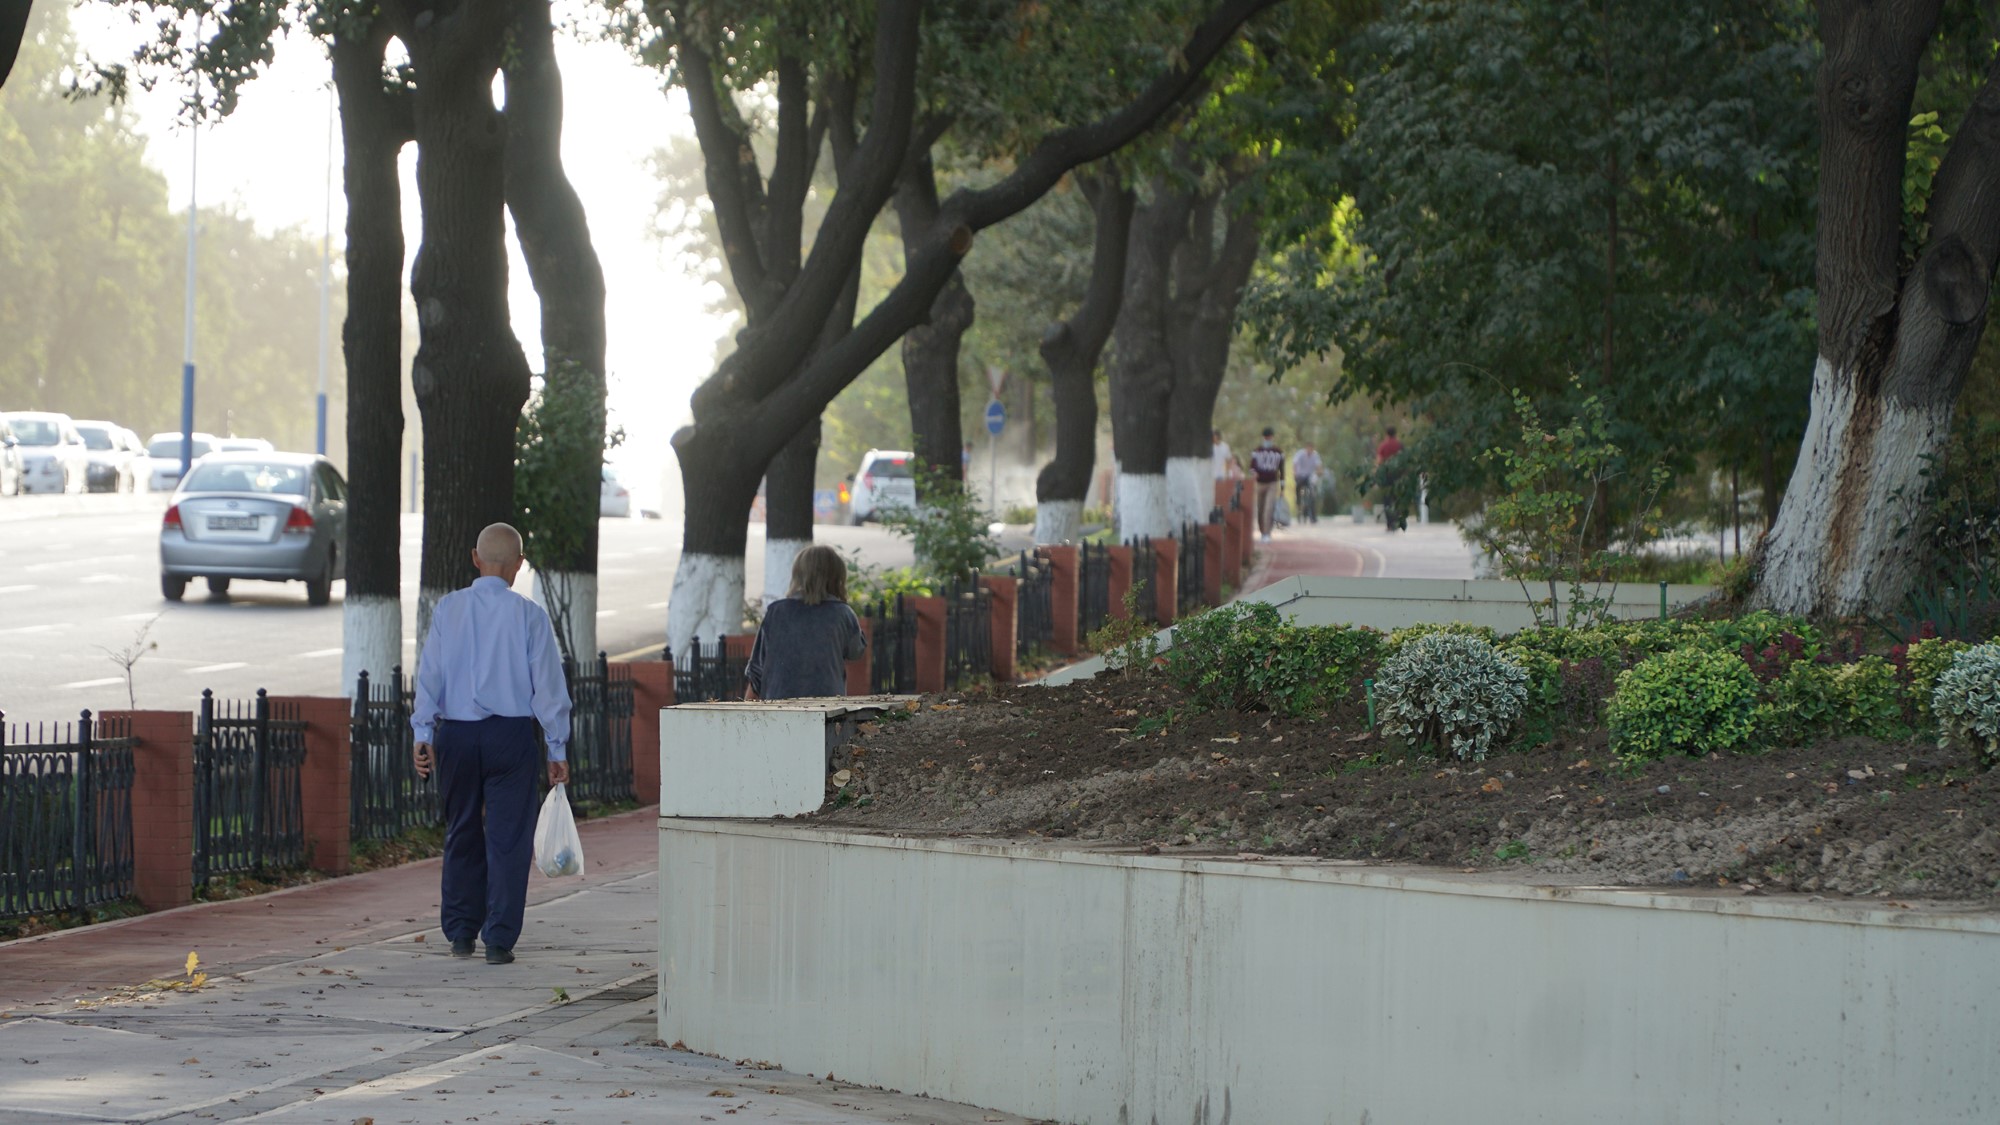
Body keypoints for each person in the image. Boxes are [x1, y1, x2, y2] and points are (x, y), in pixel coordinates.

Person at [411, 523, 571, 966]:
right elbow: (549, 690)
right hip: (511, 736)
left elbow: (430, 676)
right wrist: (557, 749)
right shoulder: (529, 615)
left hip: (457, 735)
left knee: (460, 828)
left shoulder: (448, 609)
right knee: (508, 838)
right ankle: (499, 938)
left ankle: (460, 931)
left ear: (474, 558)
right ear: (519, 565)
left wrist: (423, 733)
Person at [745, 544, 867, 701]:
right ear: (837, 578)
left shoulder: (776, 612)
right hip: (827, 708)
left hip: (778, 707)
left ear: (797, 575)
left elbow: (757, 670)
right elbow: (856, 651)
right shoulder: (842, 613)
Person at [1248, 427, 1286, 542]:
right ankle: (1262, 530)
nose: (1267, 439)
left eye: (1269, 437)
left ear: (1272, 438)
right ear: (1263, 438)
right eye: (1266, 437)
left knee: (1269, 508)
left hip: (1272, 483)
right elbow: (1252, 467)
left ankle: (1266, 533)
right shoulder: (1257, 451)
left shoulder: (1278, 452)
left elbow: (1282, 470)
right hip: (1260, 484)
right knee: (1260, 509)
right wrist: (1254, 474)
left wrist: (1282, 487)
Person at [1376, 426, 1407, 532]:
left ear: (1386, 434)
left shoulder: (1383, 445)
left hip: (1386, 476)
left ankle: (1390, 524)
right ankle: (1397, 521)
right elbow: (1405, 459)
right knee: (1397, 499)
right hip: (1398, 475)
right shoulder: (1400, 445)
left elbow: (1379, 461)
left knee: (1387, 500)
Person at [1291, 443, 1324, 524]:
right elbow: (1295, 463)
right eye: (1308, 449)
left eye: (1311, 449)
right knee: (1298, 489)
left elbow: (1318, 465)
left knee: (1312, 494)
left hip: (1310, 476)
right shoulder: (1300, 454)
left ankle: (1313, 517)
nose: (1310, 451)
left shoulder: (1315, 455)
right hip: (1300, 475)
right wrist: (1294, 472)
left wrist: (1319, 471)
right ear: (1306, 448)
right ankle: (1298, 505)